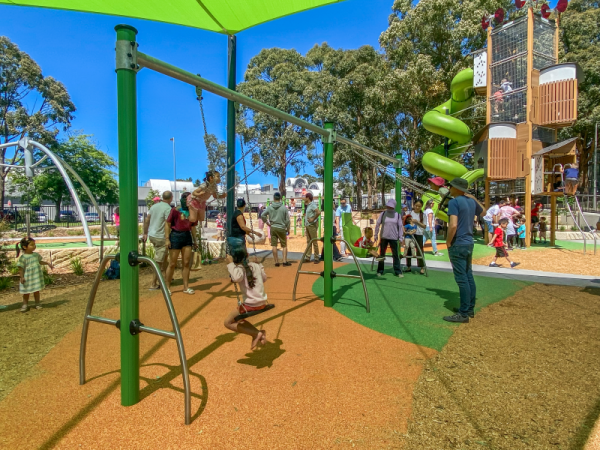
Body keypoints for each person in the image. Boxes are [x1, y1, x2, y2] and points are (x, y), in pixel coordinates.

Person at [443, 178, 484, 323]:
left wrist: (448, 242)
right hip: (468, 242)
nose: (449, 188)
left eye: (451, 186)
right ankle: (469, 308)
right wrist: (473, 197)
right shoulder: (471, 202)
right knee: (468, 275)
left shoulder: (454, 202)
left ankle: (463, 313)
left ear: (458, 188)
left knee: (461, 279)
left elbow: (452, 225)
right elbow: (484, 212)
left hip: (458, 243)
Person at [225, 247, 268, 350]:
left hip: (250, 305)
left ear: (234, 259)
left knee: (228, 323)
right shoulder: (255, 266)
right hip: (262, 302)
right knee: (240, 319)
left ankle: (256, 333)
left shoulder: (239, 269)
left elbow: (235, 278)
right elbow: (264, 279)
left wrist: (230, 264)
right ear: (247, 255)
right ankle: (256, 334)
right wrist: (259, 264)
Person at [165, 192, 197, 295]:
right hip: (175, 236)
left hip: (187, 236)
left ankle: (186, 287)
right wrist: (167, 239)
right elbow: (168, 224)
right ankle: (167, 287)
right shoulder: (175, 210)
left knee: (186, 263)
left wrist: (195, 240)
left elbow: (193, 227)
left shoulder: (192, 211)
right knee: (172, 263)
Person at [142, 190, 174, 290]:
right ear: (171, 198)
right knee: (159, 261)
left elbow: (147, 220)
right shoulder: (168, 208)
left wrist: (145, 233)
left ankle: (165, 278)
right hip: (161, 237)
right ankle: (153, 283)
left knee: (164, 258)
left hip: (152, 235)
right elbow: (167, 224)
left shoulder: (154, 206)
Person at [16, 237, 52, 312]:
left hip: (35, 276)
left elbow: (39, 262)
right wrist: (22, 277)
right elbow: (21, 268)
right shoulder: (23, 257)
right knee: (26, 292)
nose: (34, 246)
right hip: (28, 277)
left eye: (34, 244)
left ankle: (37, 303)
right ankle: (25, 304)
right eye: (32, 245)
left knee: (36, 290)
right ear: (25, 247)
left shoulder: (36, 255)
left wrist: (47, 263)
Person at [374, 199, 404, 278]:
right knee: (381, 255)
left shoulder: (397, 215)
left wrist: (401, 238)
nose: (389, 208)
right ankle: (380, 270)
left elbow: (400, 227)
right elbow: (377, 224)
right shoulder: (383, 214)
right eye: (388, 206)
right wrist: (375, 235)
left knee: (395, 255)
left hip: (394, 238)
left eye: (391, 206)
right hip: (384, 237)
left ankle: (398, 271)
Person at [261, 192, 291, 267]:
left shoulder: (270, 207)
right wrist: (288, 228)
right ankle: (284, 261)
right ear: (280, 198)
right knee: (284, 245)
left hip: (273, 227)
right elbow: (287, 220)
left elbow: (262, 215)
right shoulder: (284, 208)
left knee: (274, 245)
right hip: (281, 227)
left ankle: (276, 262)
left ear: (274, 198)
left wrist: (267, 222)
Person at [406, 199, 427, 274]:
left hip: (419, 233)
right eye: (416, 206)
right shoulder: (409, 213)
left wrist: (417, 222)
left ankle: (422, 267)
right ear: (414, 205)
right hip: (410, 234)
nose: (417, 207)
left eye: (419, 206)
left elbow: (424, 226)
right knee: (408, 249)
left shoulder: (423, 215)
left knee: (419, 250)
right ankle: (408, 266)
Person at [303, 193, 321, 264]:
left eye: (305, 197)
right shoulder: (308, 205)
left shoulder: (312, 205)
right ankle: (308, 257)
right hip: (308, 225)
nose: (304, 198)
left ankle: (316, 257)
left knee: (314, 241)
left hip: (312, 225)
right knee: (309, 241)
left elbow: (318, 212)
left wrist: (313, 219)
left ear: (308, 198)